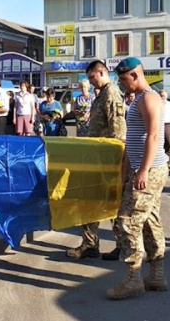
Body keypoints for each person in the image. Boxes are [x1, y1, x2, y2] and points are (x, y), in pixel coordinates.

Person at [107, 57, 169, 300]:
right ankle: (157, 275)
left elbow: (154, 137)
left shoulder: (150, 98)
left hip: (150, 170)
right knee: (149, 221)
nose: (121, 84)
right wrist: (127, 172)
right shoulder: (139, 99)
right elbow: (135, 140)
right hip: (143, 168)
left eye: (123, 79)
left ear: (135, 75)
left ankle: (133, 278)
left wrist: (142, 170)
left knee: (127, 221)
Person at [66, 61, 127, 261]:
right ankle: (90, 244)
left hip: (109, 159)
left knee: (113, 204)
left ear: (102, 72)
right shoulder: (102, 94)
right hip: (98, 157)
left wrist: (116, 161)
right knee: (91, 201)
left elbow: (118, 131)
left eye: (92, 77)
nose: (91, 82)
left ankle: (122, 245)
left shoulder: (111, 94)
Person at [159, 90, 170, 163]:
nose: (162, 97)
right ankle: (159, 161)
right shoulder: (155, 104)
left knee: (167, 142)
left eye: (163, 96)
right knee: (158, 143)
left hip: (167, 125)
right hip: (158, 124)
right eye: (161, 95)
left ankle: (167, 162)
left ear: (166, 96)